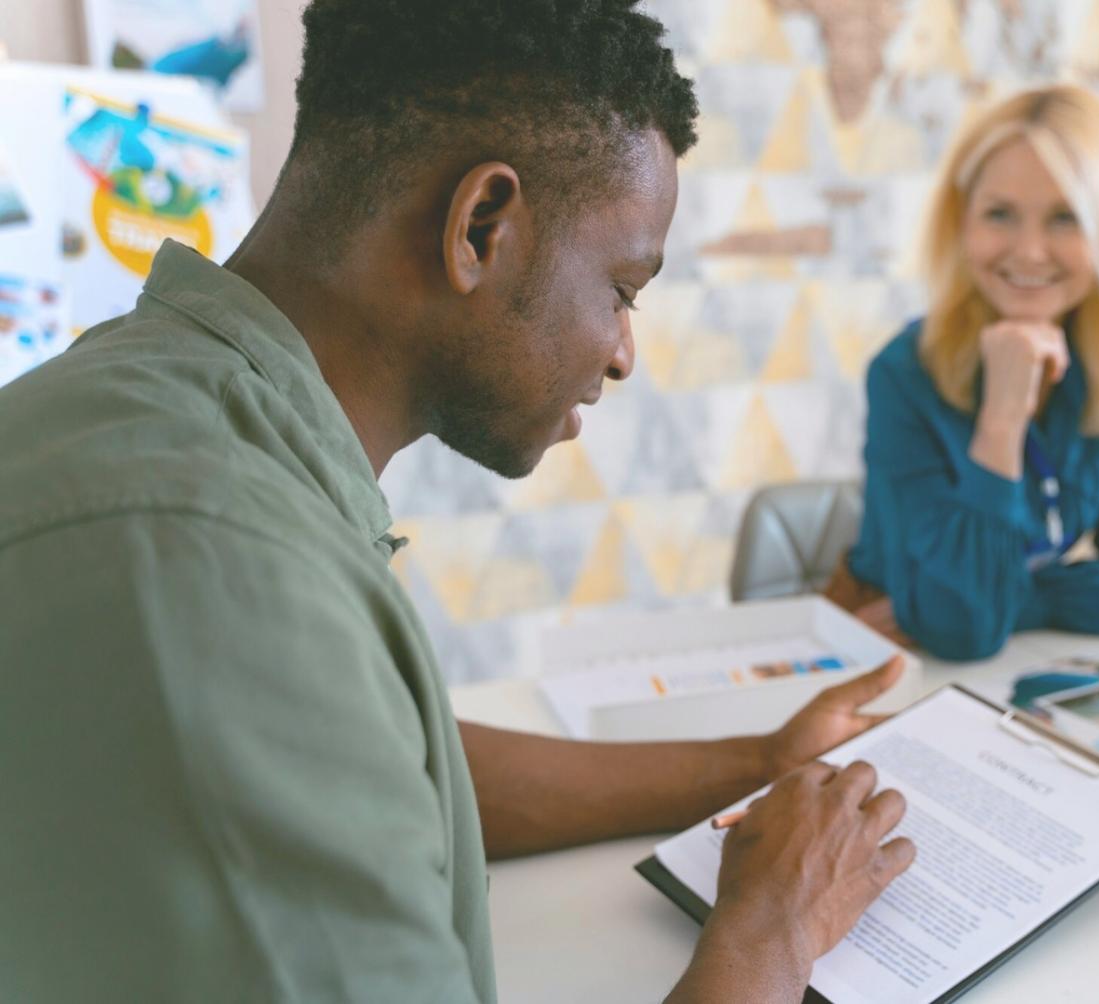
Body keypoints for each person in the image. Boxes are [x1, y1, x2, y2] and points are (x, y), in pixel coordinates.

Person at [0, 2, 914, 1001]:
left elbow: (379, 755)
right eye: (621, 288)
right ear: (481, 226)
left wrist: (758, 761)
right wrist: (771, 932)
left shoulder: (169, 414)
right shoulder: (214, 567)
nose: (622, 352)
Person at [830, 83, 1099, 661]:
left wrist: (1027, 597)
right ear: (962, 222)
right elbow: (958, 630)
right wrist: (1003, 418)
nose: (1030, 251)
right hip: (887, 651)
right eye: (1000, 214)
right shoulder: (903, 374)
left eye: (1066, 217)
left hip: (1007, 647)